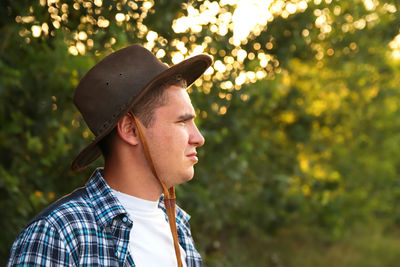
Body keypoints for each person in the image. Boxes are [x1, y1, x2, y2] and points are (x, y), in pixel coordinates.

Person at [7, 44, 212, 267]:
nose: (198, 138)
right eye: (182, 122)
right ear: (131, 130)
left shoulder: (178, 226)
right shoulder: (59, 233)